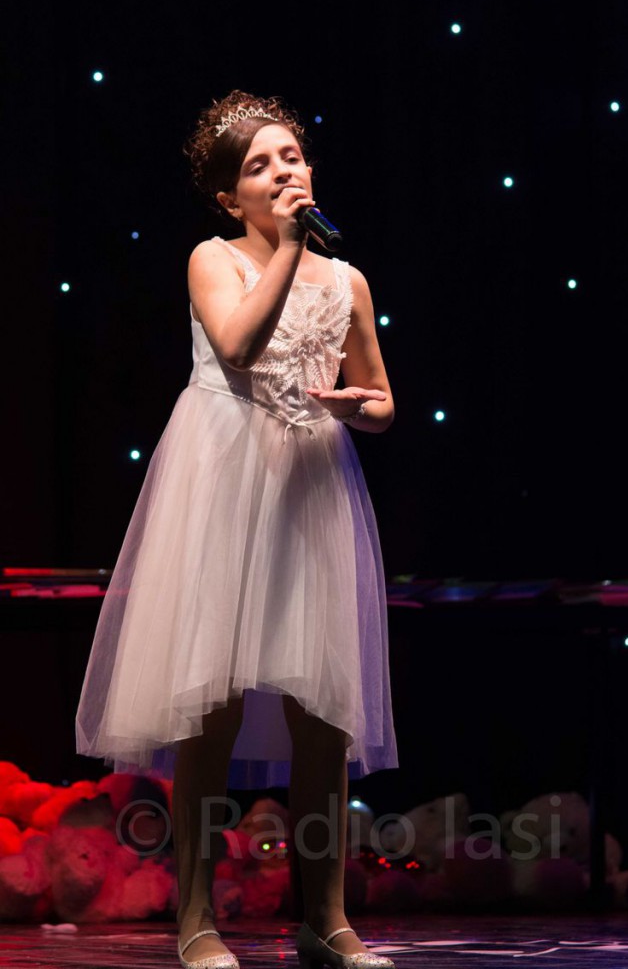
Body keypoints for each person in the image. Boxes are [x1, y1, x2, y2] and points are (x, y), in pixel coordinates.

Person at [75, 89, 398, 969]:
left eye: (290, 155)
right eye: (259, 165)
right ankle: (196, 918)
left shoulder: (347, 280)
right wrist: (288, 249)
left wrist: (355, 407)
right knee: (208, 709)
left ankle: (325, 918)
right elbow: (238, 349)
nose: (282, 171)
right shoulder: (212, 258)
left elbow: (381, 401)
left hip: (311, 490)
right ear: (230, 197)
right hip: (223, 486)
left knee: (322, 715)